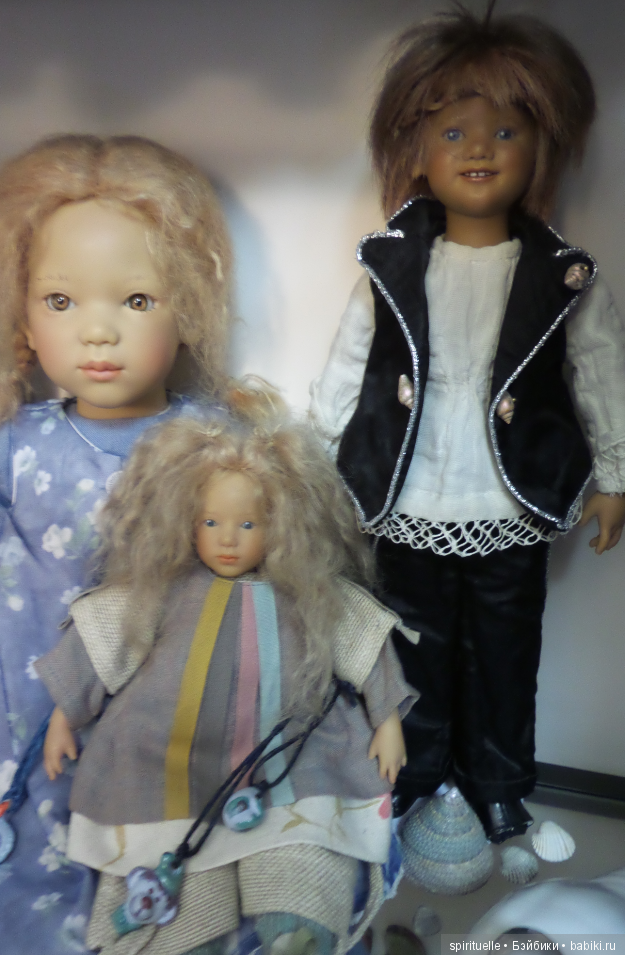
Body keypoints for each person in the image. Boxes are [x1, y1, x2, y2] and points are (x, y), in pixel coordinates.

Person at [310, 4, 625, 843]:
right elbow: (346, 366)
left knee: (505, 649)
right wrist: (313, 465)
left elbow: (600, 373)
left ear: (540, 148)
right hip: (407, 493)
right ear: (416, 150)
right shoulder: (390, 266)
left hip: (511, 498)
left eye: (504, 132)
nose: (478, 149)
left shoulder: (561, 276)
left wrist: (613, 476)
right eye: (452, 133)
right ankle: (413, 774)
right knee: (412, 643)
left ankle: (497, 781)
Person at [36, 385, 416, 955]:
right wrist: (65, 715)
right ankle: (183, 932)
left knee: (303, 857)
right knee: (177, 878)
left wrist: (387, 720)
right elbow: (101, 636)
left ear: (282, 524)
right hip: (169, 762)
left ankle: (295, 921)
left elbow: (362, 637)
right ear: (186, 521)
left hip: (285, 761)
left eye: (248, 525)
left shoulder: (305, 593)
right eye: (211, 522)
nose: (228, 540)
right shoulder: (163, 592)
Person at [0, 134, 232, 953]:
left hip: (160, 700)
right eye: (60, 301)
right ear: (23, 317)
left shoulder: (213, 444)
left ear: (187, 303)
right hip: (30, 693)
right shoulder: (16, 443)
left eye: (136, 299)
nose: (97, 332)